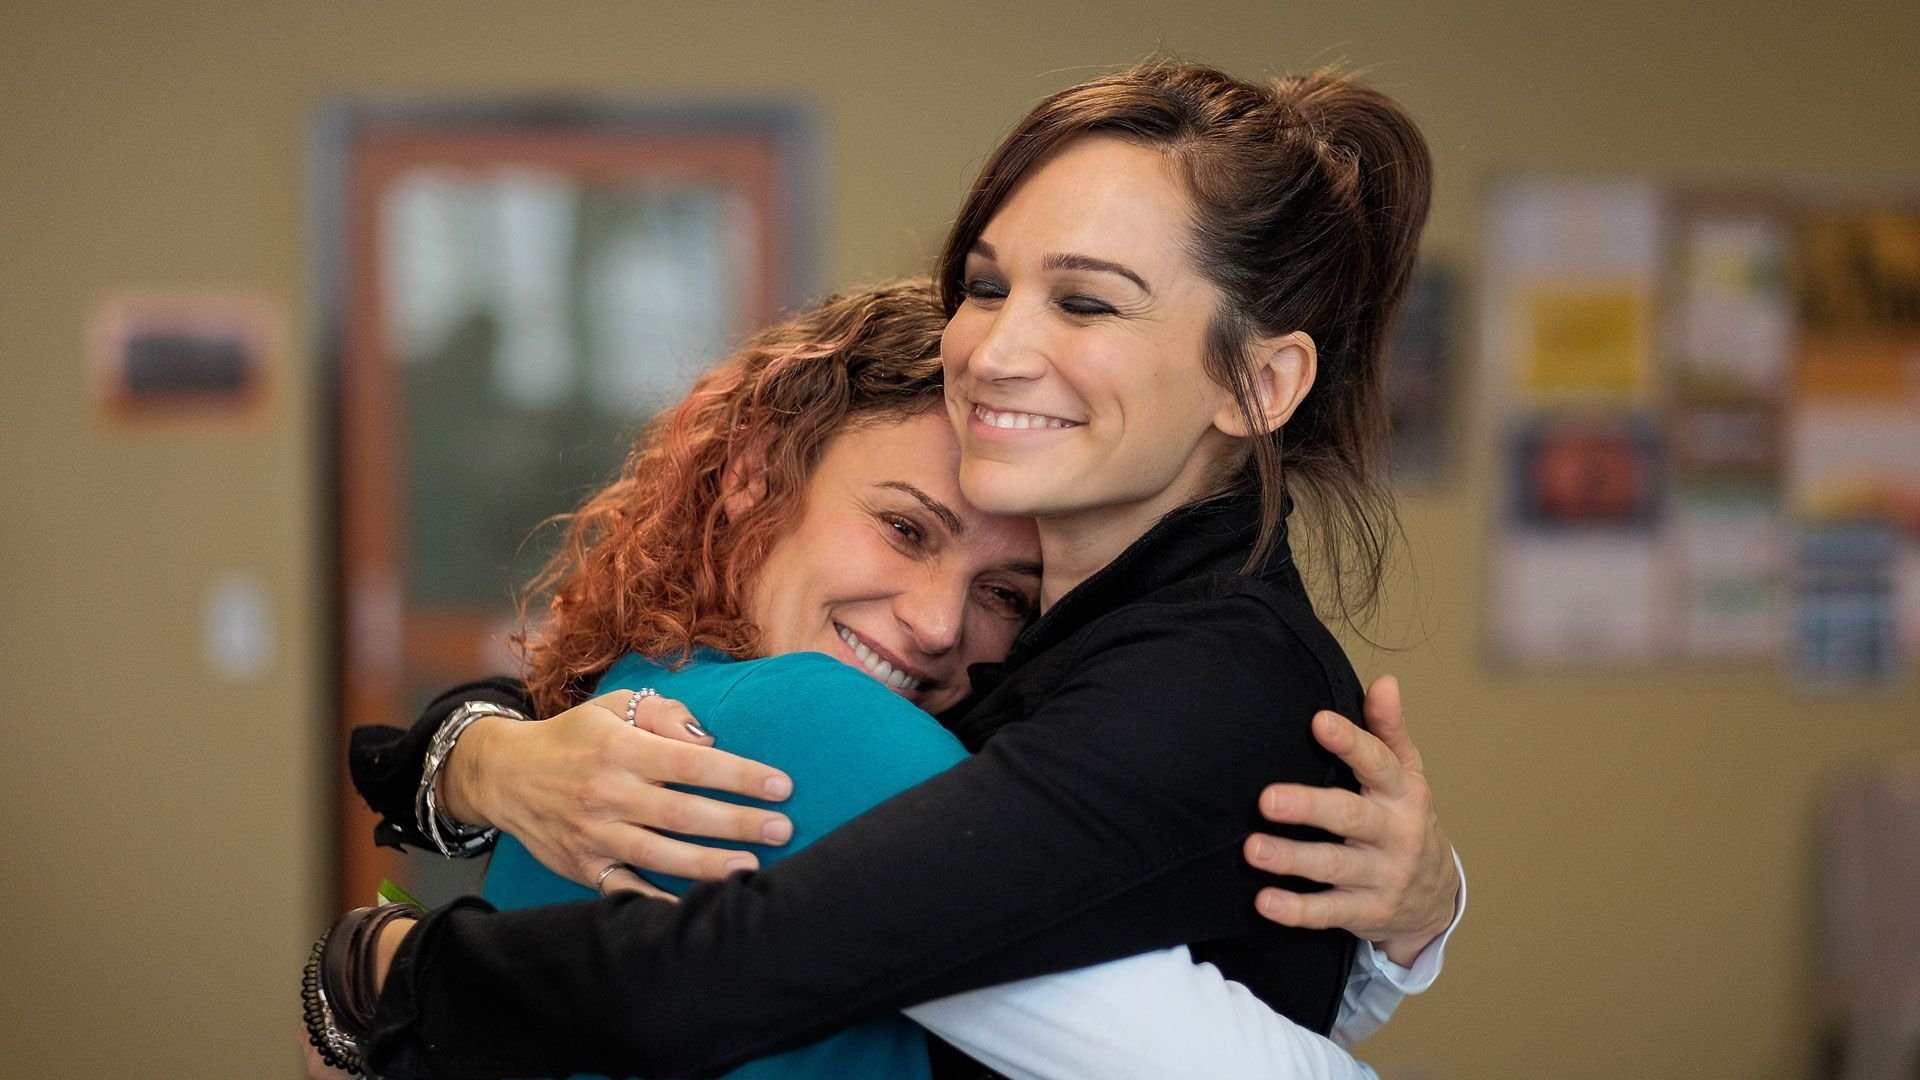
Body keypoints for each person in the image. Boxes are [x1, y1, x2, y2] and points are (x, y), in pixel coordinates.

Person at [314, 60, 1457, 1079]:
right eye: (987, 285)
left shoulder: (1198, 682)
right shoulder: (1052, 654)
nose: (998, 348)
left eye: (1087, 301)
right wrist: (475, 758)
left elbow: (739, 972)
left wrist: (375, 967)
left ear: (1261, 384)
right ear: (755, 478)